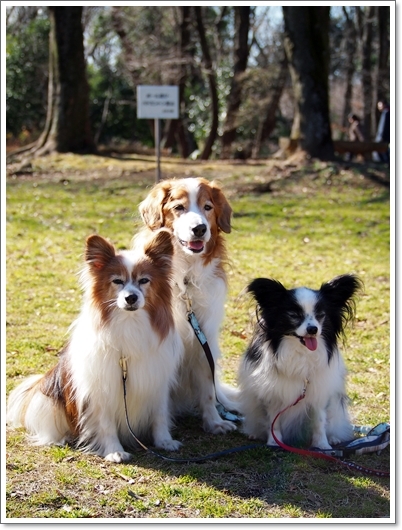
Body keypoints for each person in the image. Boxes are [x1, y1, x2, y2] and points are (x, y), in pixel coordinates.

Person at [374, 99, 390, 163]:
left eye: (379, 105)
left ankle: (386, 163)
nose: (378, 107)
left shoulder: (386, 112)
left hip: (384, 137)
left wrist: (381, 137)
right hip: (386, 137)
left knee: (381, 150)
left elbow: (383, 126)